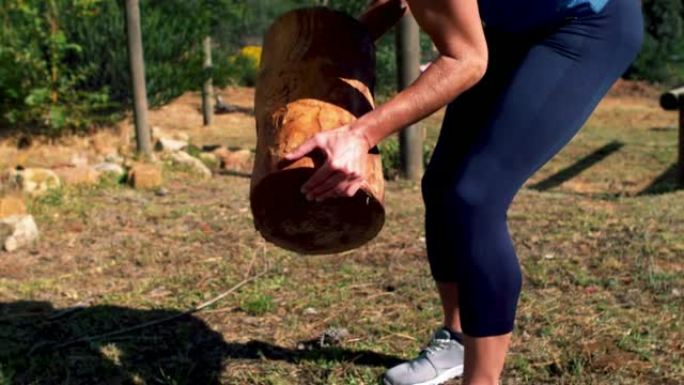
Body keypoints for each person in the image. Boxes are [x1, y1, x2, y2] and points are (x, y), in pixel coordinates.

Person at [284, 0, 644, 384]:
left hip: (587, 24)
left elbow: (466, 62)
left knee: (475, 197)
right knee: (441, 186)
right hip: (509, 26)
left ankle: (482, 380)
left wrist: (360, 134)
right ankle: (457, 340)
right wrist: (333, 49)